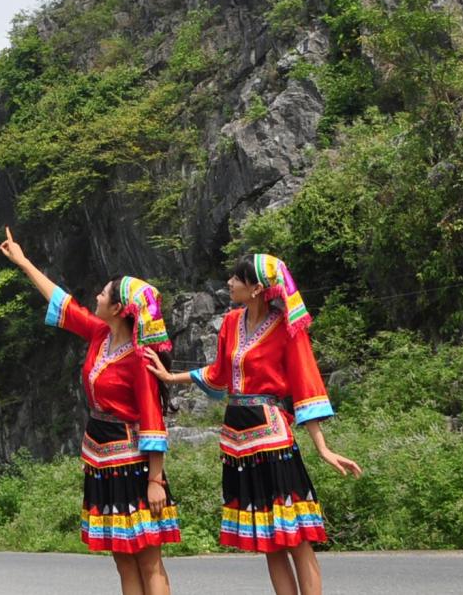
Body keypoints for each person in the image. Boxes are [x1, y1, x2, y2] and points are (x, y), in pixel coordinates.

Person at [145, 255, 362, 595]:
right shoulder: (232, 322)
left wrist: (322, 447)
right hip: (236, 437)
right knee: (268, 538)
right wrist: (171, 376)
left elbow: (306, 383)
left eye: (236, 278)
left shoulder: (287, 328)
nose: (228, 283)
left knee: (294, 534)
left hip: (271, 433)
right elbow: (219, 374)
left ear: (257, 288)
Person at [0, 227, 177, 595]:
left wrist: (155, 481)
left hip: (133, 463)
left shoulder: (141, 358)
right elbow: (64, 303)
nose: (95, 296)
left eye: (103, 293)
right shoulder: (100, 335)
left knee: (148, 559)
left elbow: (152, 419)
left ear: (117, 309)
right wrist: (23, 262)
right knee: (122, 558)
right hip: (101, 460)